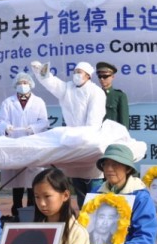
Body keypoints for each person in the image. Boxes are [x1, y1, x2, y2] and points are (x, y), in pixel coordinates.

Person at [31, 60, 106, 206]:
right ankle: (82, 221)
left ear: (88, 76)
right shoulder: (68, 88)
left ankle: (95, 224)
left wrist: (81, 137)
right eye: (75, 72)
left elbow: (94, 122)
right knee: (79, 189)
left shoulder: (96, 92)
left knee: (94, 194)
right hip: (73, 143)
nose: (76, 75)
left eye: (80, 72)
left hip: (89, 142)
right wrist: (41, 73)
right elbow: (52, 83)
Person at [83, 144, 157, 244]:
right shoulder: (96, 192)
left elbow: (145, 237)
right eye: (106, 165)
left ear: (127, 168)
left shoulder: (141, 196)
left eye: (115, 165)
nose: (109, 169)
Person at [0, 72, 49, 219]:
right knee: (17, 181)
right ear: (16, 85)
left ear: (31, 85)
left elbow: (44, 121)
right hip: (15, 144)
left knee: (33, 181)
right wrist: (7, 128)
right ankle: (17, 211)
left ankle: (33, 210)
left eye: (25, 83)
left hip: (33, 144)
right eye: (20, 83)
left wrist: (34, 128)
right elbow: (1, 121)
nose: (23, 85)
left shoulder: (38, 102)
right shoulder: (8, 102)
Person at [96, 62, 129, 128]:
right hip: (96, 134)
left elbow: (124, 121)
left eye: (105, 76)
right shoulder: (94, 94)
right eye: (100, 76)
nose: (102, 79)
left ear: (112, 77)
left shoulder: (119, 96)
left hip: (113, 135)